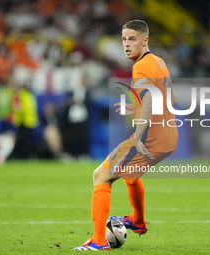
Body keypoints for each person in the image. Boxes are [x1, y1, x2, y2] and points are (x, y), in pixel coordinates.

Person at [73, 20, 178, 251]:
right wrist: (136, 109)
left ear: (145, 40)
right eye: (123, 39)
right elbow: (170, 99)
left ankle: (99, 242)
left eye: (132, 39)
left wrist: (139, 135)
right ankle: (138, 221)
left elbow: (151, 99)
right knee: (130, 175)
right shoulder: (158, 62)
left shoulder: (140, 67)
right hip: (169, 137)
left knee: (100, 176)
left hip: (152, 137)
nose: (126, 44)